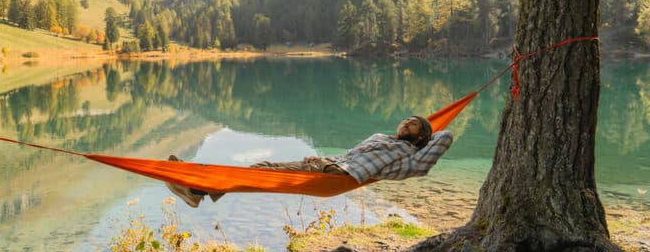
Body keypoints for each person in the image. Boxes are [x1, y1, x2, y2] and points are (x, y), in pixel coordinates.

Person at [166, 115, 454, 208]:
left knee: (258, 171)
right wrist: (321, 159)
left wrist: (433, 133)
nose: (407, 122)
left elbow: (439, 144)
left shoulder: (409, 157)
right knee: (262, 169)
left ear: (420, 137)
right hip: (326, 165)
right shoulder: (381, 136)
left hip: (336, 176)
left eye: (414, 124)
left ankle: (197, 190)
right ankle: (198, 191)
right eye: (408, 119)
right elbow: (353, 155)